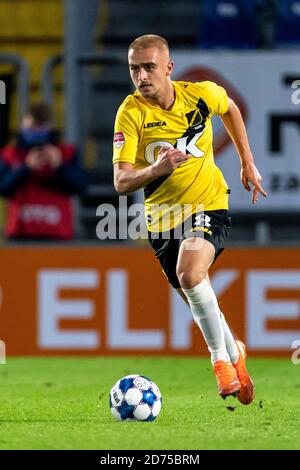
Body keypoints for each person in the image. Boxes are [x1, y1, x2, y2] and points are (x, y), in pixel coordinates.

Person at [113, 35, 267, 404]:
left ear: (169, 68)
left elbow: (230, 108)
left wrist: (247, 160)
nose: (141, 75)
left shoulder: (200, 95)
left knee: (190, 272)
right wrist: (157, 168)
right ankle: (235, 353)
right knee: (199, 298)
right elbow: (121, 181)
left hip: (208, 203)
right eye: (135, 68)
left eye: (149, 66)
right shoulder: (130, 113)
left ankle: (219, 362)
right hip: (162, 220)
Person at [0, 103, 86, 240]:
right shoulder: (10, 154)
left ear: (49, 127)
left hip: (57, 233)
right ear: (23, 124)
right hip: (20, 233)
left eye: (40, 127)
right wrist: (26, 168)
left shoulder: (66, 153)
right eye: (32, 127)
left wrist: (59, 167)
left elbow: (80, 187)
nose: (35, 132)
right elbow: (3, 189)